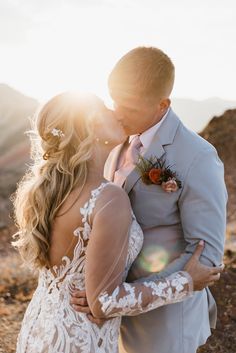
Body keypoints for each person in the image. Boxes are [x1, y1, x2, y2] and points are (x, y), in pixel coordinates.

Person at [13, 92, 221, 353]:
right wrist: (185, 281)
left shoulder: (53, 191)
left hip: (39, 329)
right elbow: (103, 303)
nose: (115, 112)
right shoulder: (108, 197)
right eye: (103, 108)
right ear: (92, 127)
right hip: (80, 339)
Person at [72, 47, 227, 353]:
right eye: (113, 99)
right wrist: (99, 290)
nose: (116, 111)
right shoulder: (115, 142)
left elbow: (206, 256)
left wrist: (123, 295)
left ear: (163, 104)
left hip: (166, 324)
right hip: (114, 312)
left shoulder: (198, 156)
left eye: (127, 105)